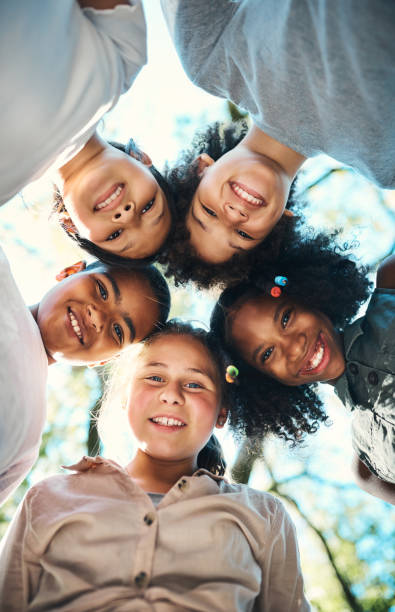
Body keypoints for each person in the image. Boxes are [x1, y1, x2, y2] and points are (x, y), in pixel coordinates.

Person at [0, 321, 310, 611]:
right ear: (125, 395)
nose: (171, 395)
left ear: (222, 413)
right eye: (155, 378)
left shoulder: (264, 517)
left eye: (194, 384)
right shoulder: (49, 497)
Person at [160, 0, 395, 269]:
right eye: (243, 235)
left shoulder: (209, 58)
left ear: (201, 168)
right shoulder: (386, 163)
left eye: (208, 212)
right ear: (281, 224)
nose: (234, 216)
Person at [210, 238, 395, 504]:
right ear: (268, 381)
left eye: (286, 318)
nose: (294, 347)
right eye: (267, 353)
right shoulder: (366, 469)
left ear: (309, 297)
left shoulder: (390, 282)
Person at [0, 1, 172, 262]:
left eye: (114, 236)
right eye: (149, 207)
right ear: (144, 160)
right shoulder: (124, 58)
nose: (126, 215)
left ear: (70, 226)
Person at [0, 246, 170, 504]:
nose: (98, 317)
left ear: (103, 360)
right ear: (69, 271)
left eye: (117, 331)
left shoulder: (27, 443)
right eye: (102, 290)